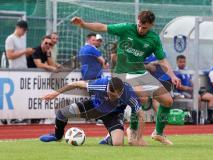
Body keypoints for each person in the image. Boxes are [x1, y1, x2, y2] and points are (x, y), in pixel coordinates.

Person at [71, 10, 181, 145]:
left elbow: (162, 60)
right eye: (139, 25)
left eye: (144, 27)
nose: (140, 29)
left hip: (141, 73)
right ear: (137, 21)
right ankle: (133, 132)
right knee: (143, 97)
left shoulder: (154, 39)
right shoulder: (126, 28)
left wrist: (172, 75)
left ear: (152, 25)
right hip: (122, 74)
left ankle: (158, 133)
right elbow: (102, 27)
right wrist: (83, 24)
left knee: (168, 101)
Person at [39, 77, 145, 146]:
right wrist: (56, 93)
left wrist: (139, 138)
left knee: (118, 144)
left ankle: (109, 138)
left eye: (117, 96)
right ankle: (57, 136)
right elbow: (76, 84)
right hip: (94, 107)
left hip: (113, 114)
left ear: (122, 91)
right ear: (107, 88)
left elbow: (141, 114)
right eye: (111, 95)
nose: (114, 98)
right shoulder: (100, 84)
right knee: (61, 114)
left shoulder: (129, 94)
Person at [175, 55, 213, 124]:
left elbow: (191, 81)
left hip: (192, 91)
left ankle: (210, 119)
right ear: (177, 62)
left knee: (211, 97)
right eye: (180, 62)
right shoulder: (176, 72)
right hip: (183, 92)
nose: (183, 63)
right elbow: (178, 86)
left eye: (184, 62)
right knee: (198, 97)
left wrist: (195, 86)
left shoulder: (187, 71)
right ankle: (196, 119)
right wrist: (190, 88)